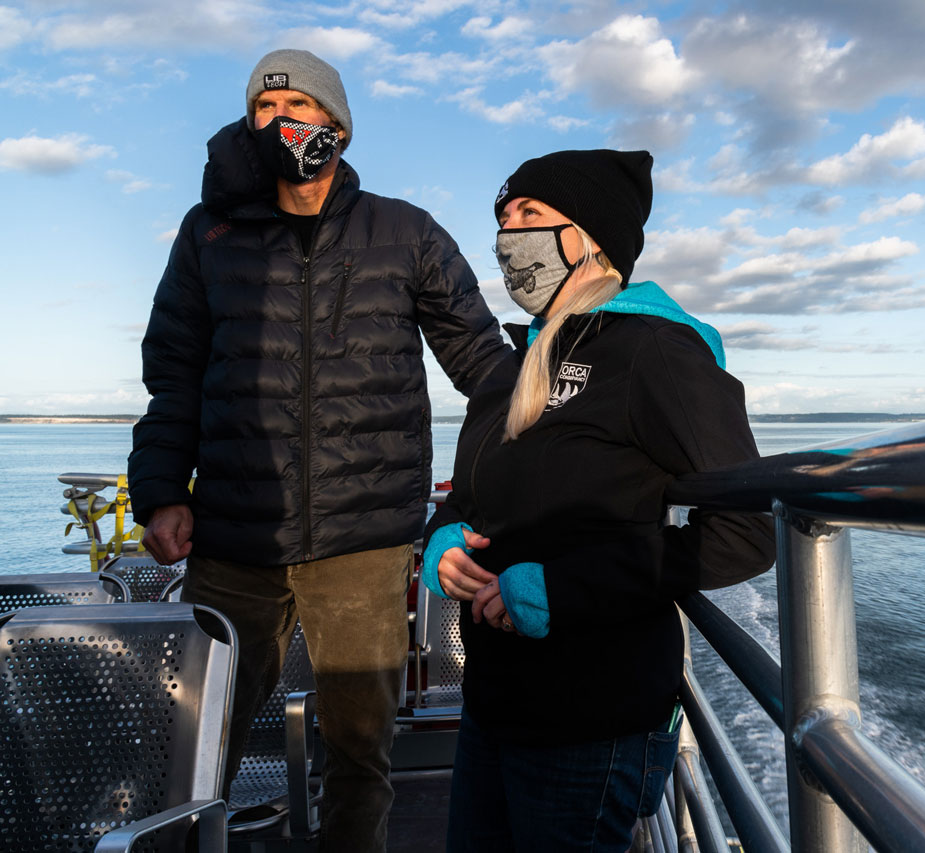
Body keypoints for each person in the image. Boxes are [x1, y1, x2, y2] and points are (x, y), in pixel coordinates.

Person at [127, 49, 508, 852]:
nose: (282, 123)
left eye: (300, 106)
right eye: (265, 110)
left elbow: (486, 368)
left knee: (360, 747)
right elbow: (174, 374)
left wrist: (577, 399)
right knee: (201, 742)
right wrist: (162, 487)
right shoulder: (209, 233)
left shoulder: (405, 231)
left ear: (337, 126)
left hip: (362, 542)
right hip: (235, 534)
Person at [422, 149, 776, 852]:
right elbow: (467, 496)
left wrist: (565, 588)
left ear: (588, 237)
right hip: (492, 706)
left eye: (528, 213)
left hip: (591, 719)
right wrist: (445, 540)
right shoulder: (508, 370)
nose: (506, 234)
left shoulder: (654, 351)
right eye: (502, 217)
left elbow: (745, 530)